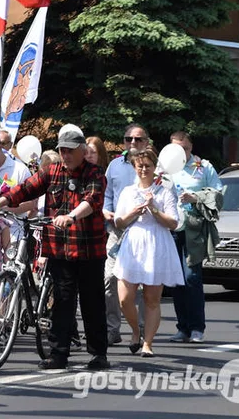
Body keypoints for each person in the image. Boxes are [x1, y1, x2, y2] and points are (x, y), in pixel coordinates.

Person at [0, 125, 110, 371]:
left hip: (89, 250)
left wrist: (72, 216)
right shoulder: (52, 171)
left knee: (92, 302)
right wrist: (0, 202)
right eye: (62, 150)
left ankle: (98, 354)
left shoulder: (95, 174)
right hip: (60, 249)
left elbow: (92, 201)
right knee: (62, 302)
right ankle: (58, 354)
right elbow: (26, 188)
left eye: (70, 151)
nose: (65, 155)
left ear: (82, 150)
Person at [113, 148, 184, 357]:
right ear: (135, 168)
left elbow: (173, 223)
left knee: (152, 299)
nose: (144, 169)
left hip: (156, 244)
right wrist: (133, 212)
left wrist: (154, 208)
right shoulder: (128, 191)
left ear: (155, 168)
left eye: (148, 166)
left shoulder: (164, 192)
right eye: (140, 166)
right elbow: (119, 221)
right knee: (125, 298)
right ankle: (136, 331)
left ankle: (148, 343)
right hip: (133, 244)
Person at [166, 131, 223, 344]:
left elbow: (218, 194)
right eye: (177, 148)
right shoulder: (165, 167)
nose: (181, 152)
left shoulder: (203, 167)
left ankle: (197, 327)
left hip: (194, 228)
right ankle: (183, 328)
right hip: (170, 227)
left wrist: (195, 197)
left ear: (192, 147)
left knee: (191, 277)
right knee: (175, 279)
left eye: (186, 148)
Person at [103, 123, 148, 345]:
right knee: (110, 279)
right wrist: (105, 209)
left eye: (138, 139)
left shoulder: (153, 167)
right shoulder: (114, 165)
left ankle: (139, 328)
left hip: (142, 232)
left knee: (139, 283)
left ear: (146, 142)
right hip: (117, 231)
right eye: (128, 138)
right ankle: (112, 329)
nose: (132, 143)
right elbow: (107, 194)